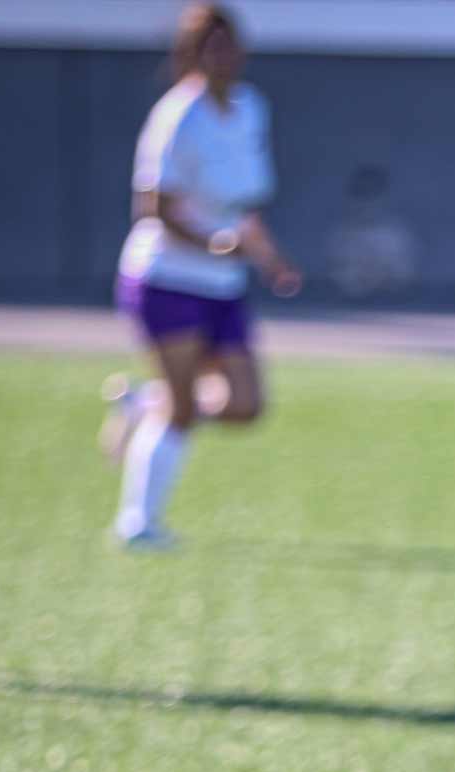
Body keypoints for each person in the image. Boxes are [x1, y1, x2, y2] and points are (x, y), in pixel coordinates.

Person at [103, 3, 300, 550]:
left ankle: (145, 402)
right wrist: (214, 244)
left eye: (229, 44)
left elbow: (244, 207)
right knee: (185, 409)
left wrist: (269, 258)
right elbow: (153, 207)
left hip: (223, 283)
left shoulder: (248, 108)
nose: (222, 56)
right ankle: (137, 523)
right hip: (167, 277)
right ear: (190, 53)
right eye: (209, 45)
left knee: (245, 404)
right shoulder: (176, 115)